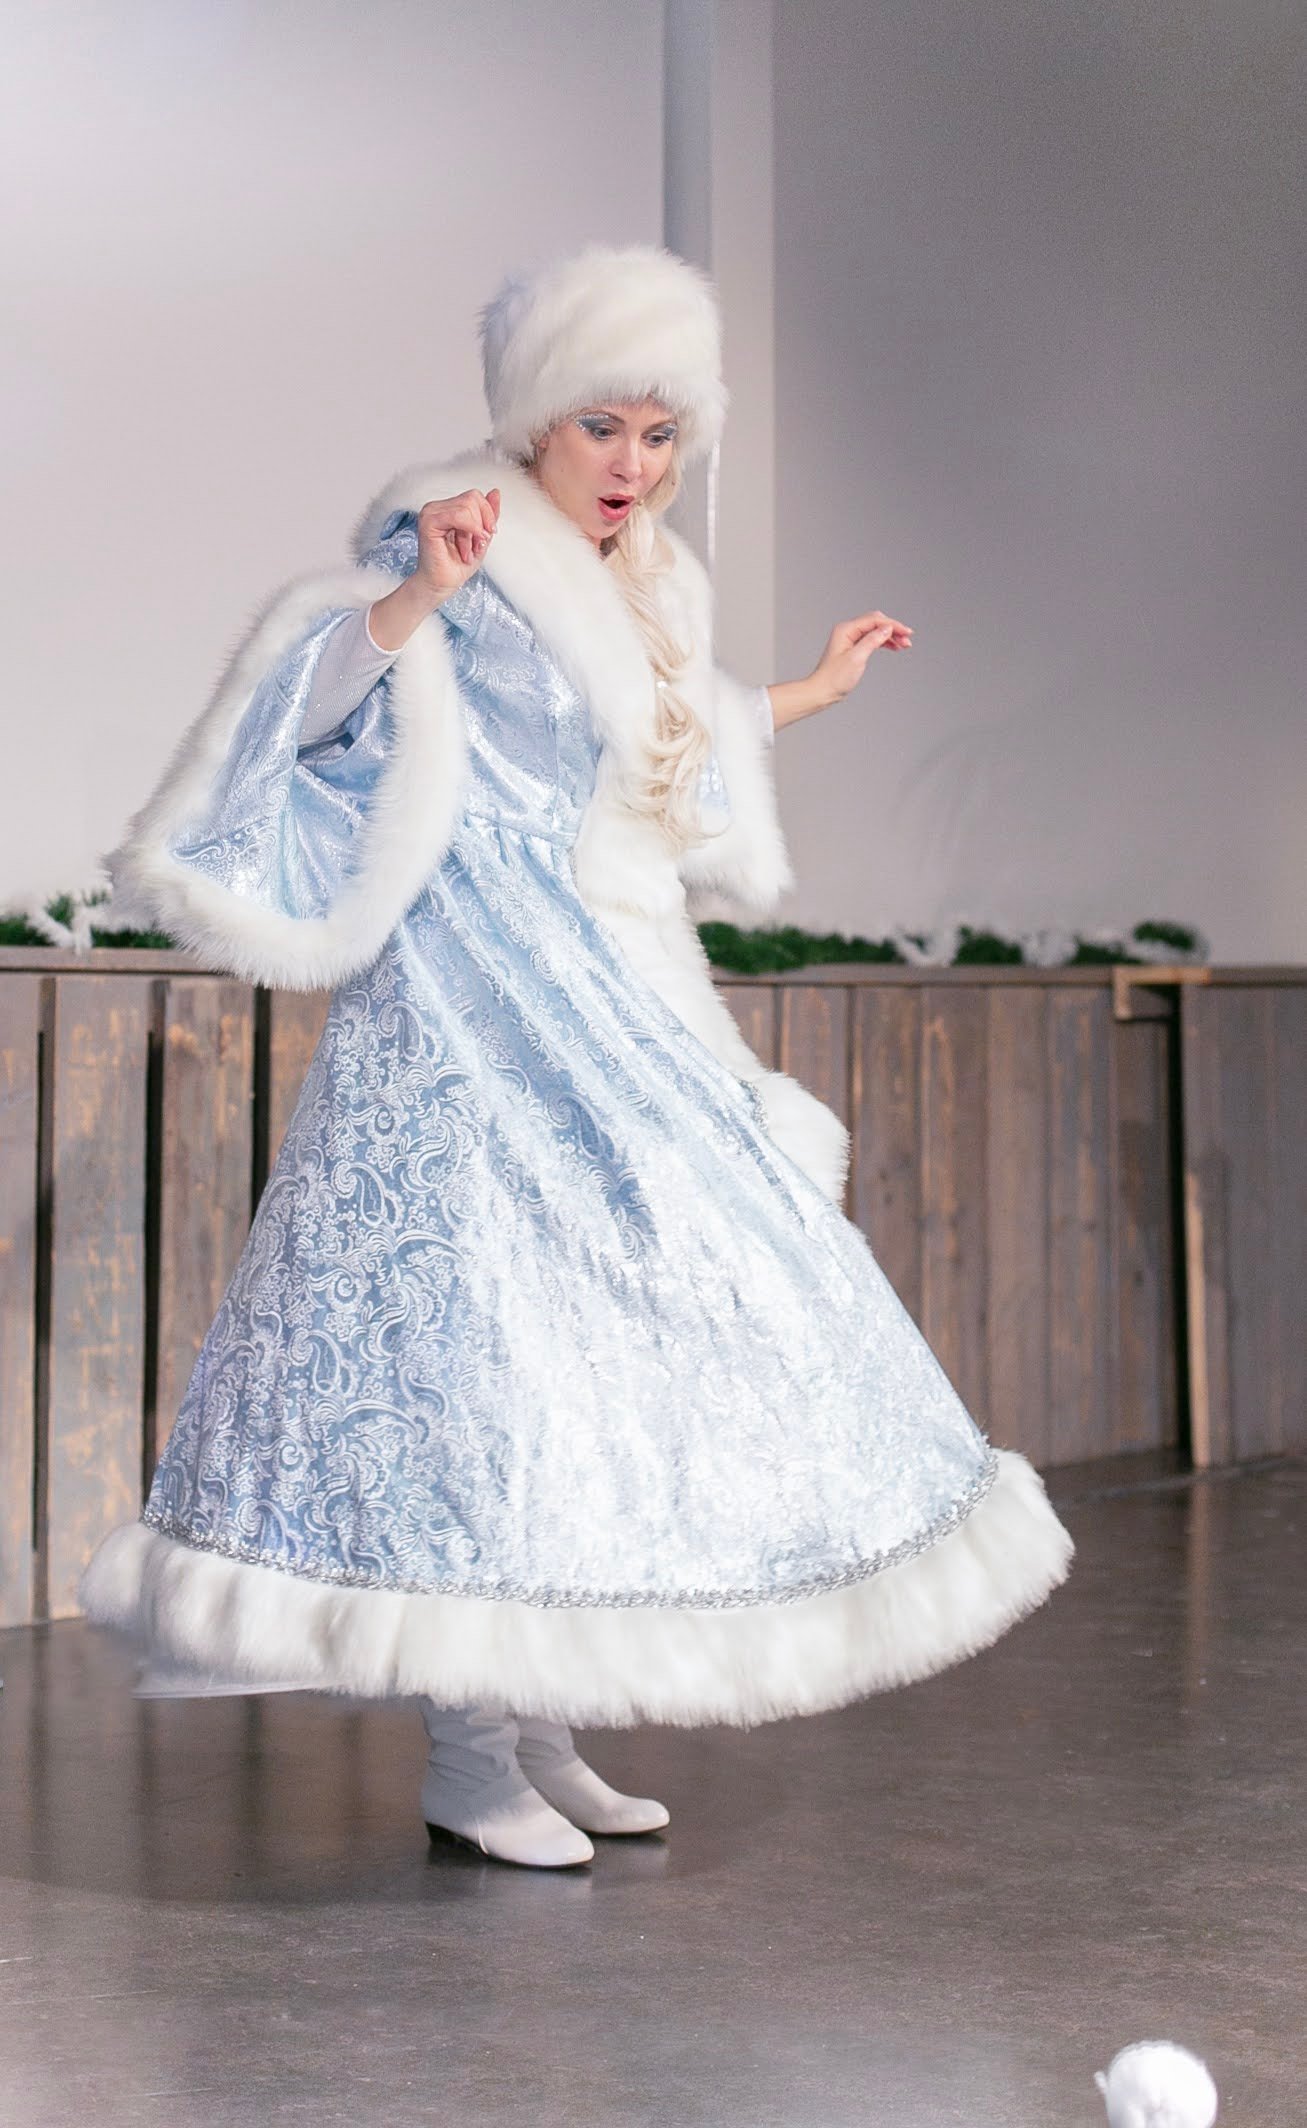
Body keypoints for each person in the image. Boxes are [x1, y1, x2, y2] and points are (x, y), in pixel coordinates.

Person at [81, 243, 1073, 1868]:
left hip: (605, 990)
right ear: (538, 415)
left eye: (660, 433)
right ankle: (467, 1752)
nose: (631, 462)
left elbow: (650, 760)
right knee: (486, 1352)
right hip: (468, 1001)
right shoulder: (455, 535)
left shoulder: (651, 579)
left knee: (598, 1340)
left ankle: (537, 1724)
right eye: (603, 425)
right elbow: (316, 717)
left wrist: (807, 692)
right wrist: (420, 593)